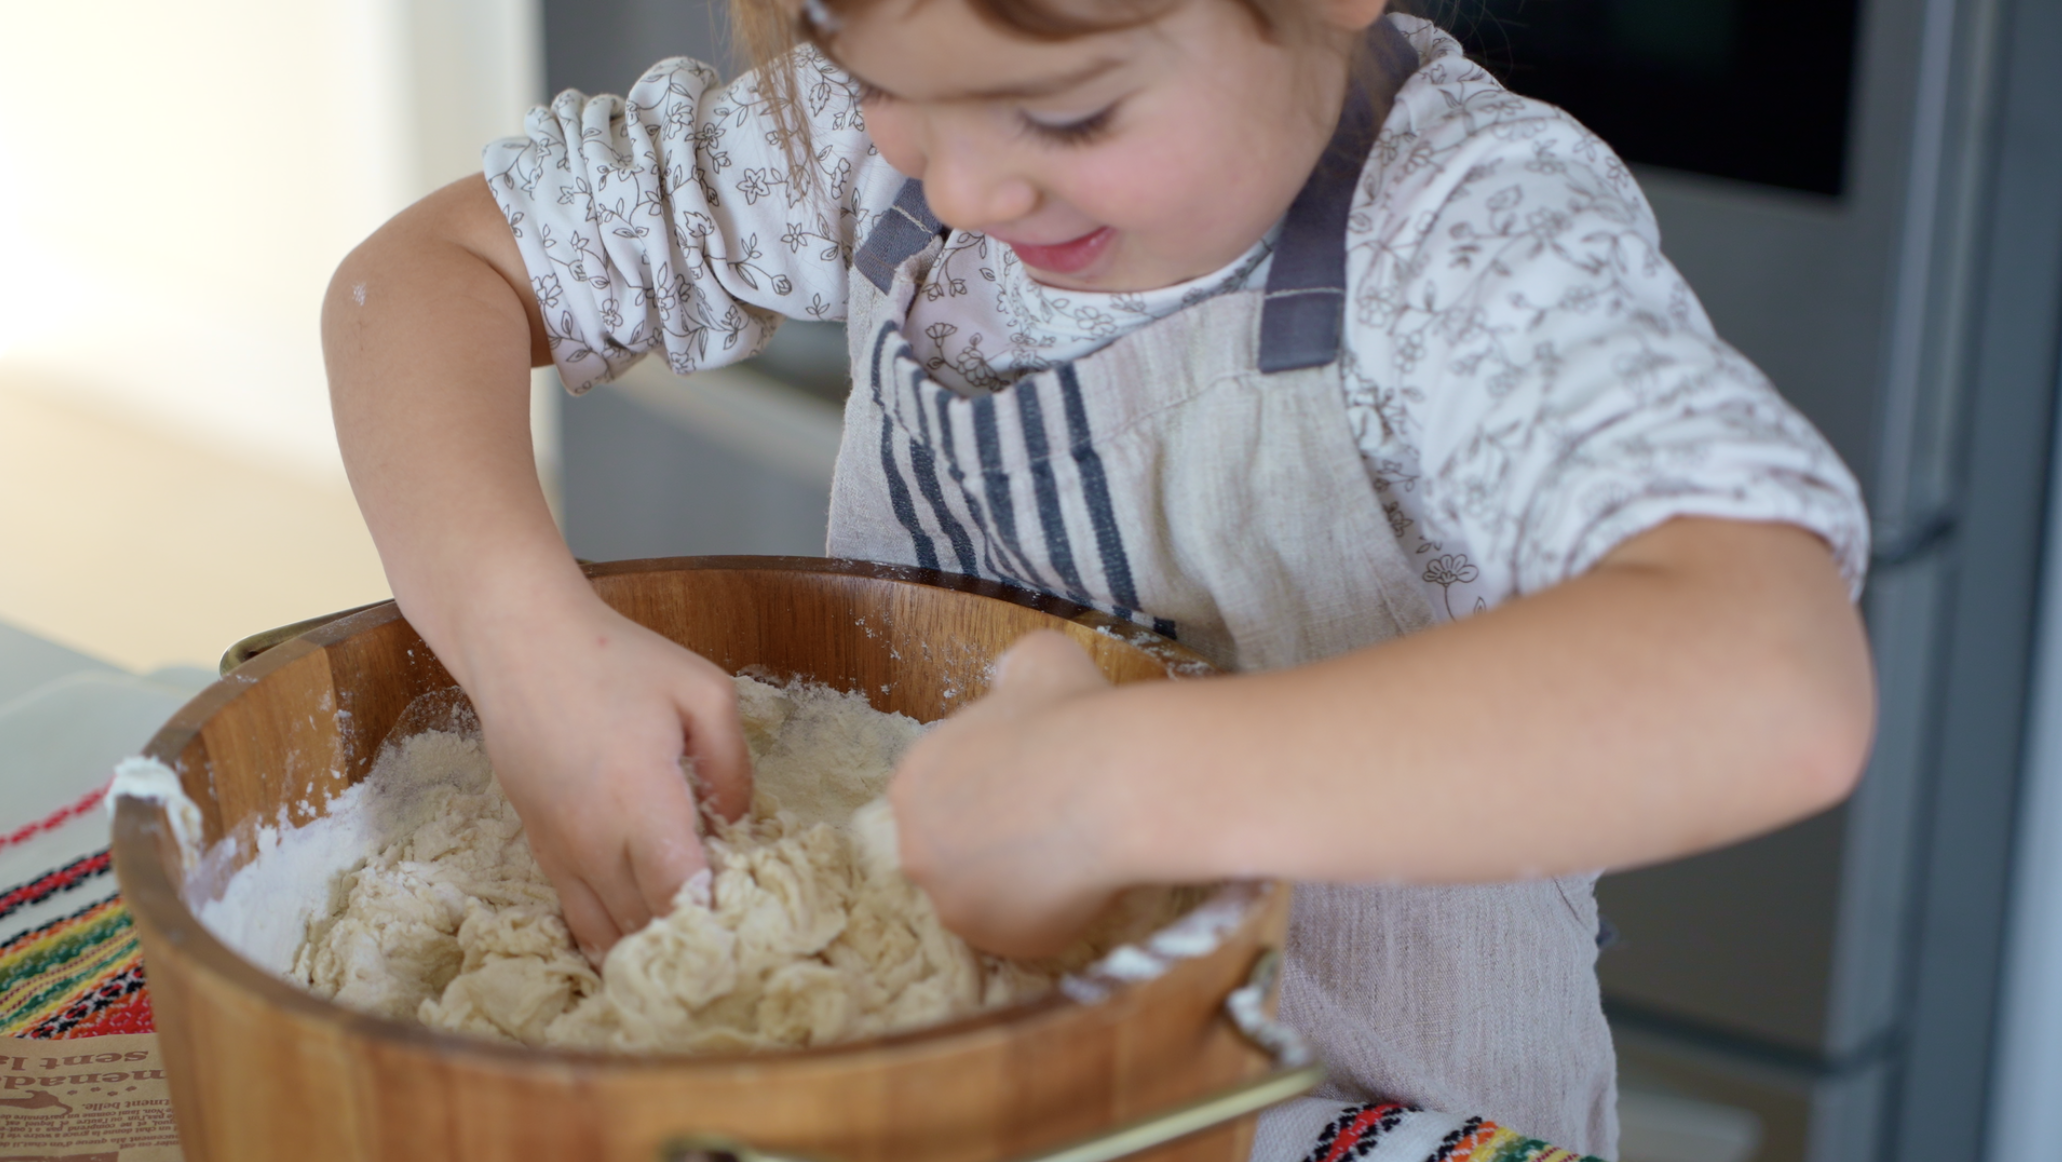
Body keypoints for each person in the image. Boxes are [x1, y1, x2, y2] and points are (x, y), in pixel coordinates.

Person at [322, 0, 1876, 1155]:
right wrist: (530, 651)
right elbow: (415, 282)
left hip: (1360, 1108)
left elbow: (1771, 680)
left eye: (1066, 119)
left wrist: (1118, 785)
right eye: (877, 85)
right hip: (950, 1097)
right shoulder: (876, 146)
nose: (971, 191)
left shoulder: (1461, 239)